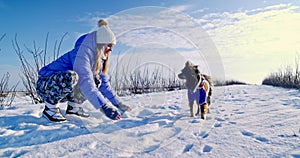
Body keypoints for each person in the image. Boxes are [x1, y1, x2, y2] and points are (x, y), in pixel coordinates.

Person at [36, 19, 131, 122]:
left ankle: (74, 107)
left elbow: (103, 84)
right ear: (100, 43)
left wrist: (118, 103)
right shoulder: (80, 54)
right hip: (45, 84)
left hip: (60, 88)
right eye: (109, 45)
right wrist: (104, 106)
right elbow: (86, 81)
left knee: (96, 79)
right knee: (71, 77)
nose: (110, 49)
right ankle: (50, 109)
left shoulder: (97, 59)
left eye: (112, 46)